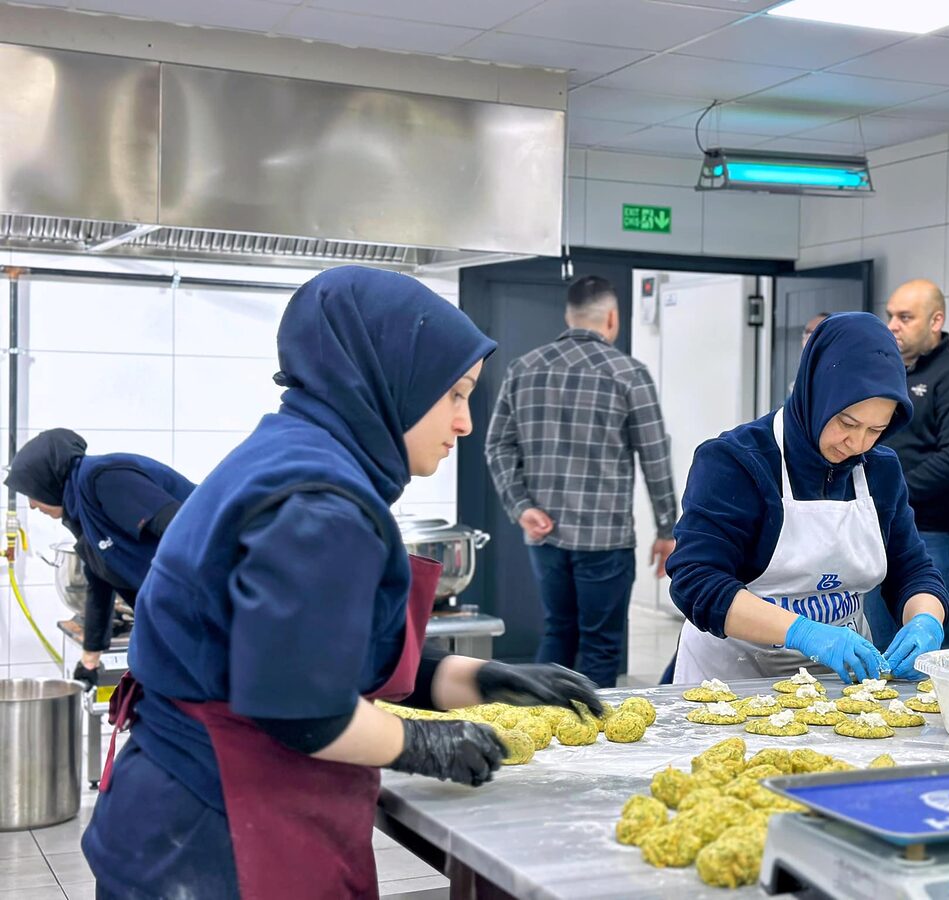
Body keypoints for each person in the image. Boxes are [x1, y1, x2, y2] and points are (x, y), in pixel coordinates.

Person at [82, 267, 602, 899]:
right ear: (391, 381)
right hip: (217, 829)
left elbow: (320, 649)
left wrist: (474, 679)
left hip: (188, 808)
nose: (465, 423)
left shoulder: (295, 453)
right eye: (456, 395)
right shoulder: (322, 503)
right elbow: (300, 706)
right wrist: (424, 743)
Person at [666, 312, 949, 684]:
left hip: (838, 680)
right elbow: (696, 580)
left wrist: (926, 620)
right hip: (729, 679)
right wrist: (804, 632)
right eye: (847, 423)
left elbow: (912, 570)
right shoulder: (735, 461)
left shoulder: (879, 470)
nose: (858, 443)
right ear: (817, 394)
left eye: (876, 429)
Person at [485, 274, 677, 688]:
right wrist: (667, 529)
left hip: (545, 535)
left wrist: (522, 507)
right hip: (605, 540)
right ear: (611, 317)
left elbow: (497, 446)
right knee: (601, 646)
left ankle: (538, 728)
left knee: (558, 631)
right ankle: (592, 741)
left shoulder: (525, 369)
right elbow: (655, 456)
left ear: (569, 315)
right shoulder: (629, 374)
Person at [4, 429, 195, 687]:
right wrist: (89, 661)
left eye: (31, 493)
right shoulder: (85, 519)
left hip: (215, 606)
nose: (34, 505)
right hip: (181, 625)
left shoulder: (104, 478)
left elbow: (187, 530)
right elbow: (100, 587)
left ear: (48, 480)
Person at [866, 280, 949, 650]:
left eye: (905, 317)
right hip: (880, 529)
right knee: (882, 639)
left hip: (933, 531)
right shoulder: (889, 374)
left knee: (925, 644)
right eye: (890, 315)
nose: (893, 325)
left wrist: (891, 495)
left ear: (936, 320)